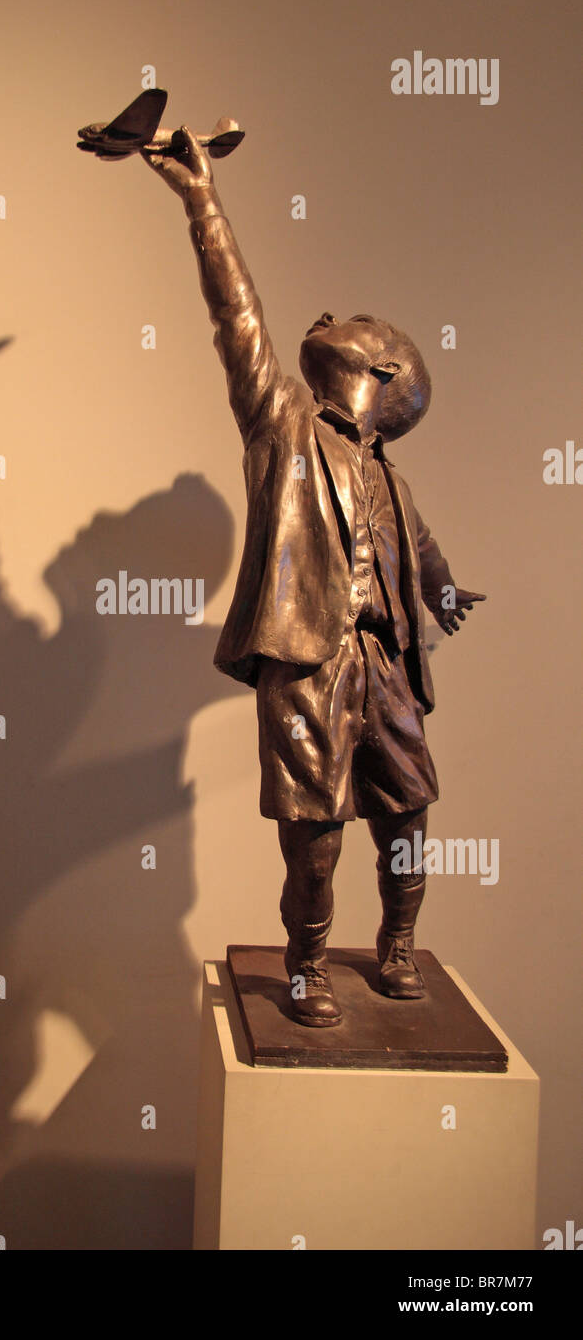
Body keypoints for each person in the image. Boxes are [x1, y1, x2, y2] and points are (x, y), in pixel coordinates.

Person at [142, 126, 485, 1027]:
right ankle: (307, 965)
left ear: (384, 367)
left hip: (386, 668)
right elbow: (238, 317)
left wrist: (446, 596)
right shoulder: (283, 423)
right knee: (316, 838)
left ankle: (398, 944)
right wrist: (201, 201)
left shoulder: (390, 478)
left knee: (410, 813)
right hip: (306, 662)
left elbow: (423, 556)